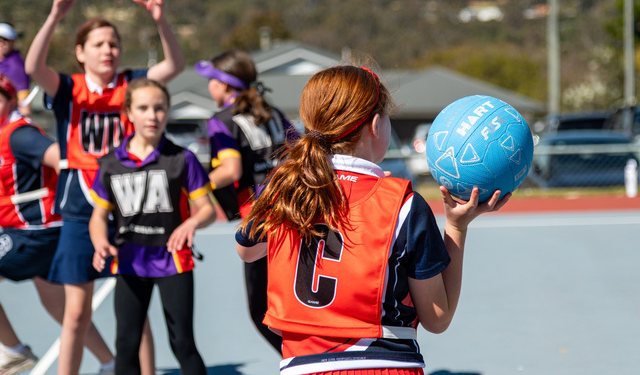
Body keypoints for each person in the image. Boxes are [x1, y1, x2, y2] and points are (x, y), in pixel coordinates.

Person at [235, 64, 511, 374]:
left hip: (301, 365)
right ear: (376, 125)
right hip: (383, 363)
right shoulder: (402, 205)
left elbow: (246, 250)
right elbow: (437, 318)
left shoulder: (285, 190)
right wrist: (457, 226)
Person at [24, 0, 184, 375]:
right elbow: (32, 66)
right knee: (76, 313)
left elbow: (175, 65)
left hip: (130, 207)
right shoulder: (68, 88)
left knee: (135, 310)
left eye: (113, 43)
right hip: (82, 209)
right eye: (98, 44)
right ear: (80, 53)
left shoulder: (133, 84)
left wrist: (161, 21)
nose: (108, 50)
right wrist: (54, 16)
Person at [89, 78, 215, 375]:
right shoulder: (110, 163)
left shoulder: (182, 159)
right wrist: (100, 242)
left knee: (182, 342)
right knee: (126, 342)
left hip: (173, 261)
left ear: (168, 111)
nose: (152, 115)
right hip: (130, 262)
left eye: (159, 108)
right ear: (128, 112)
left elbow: (208, 209)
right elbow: (98, 217)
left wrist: (192, 223)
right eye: (143, 108)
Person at [0, 74, 115, 375]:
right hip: (33, 231)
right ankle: (111, 363)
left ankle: (14, 351)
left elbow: (63, 159)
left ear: (11, 101)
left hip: (37, 231)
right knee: (65, 312)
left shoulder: (20, 135)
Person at [195, 49, 297, 353]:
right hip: (295, 210)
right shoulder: (273, 113)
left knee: (261, 311)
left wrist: (192, 187)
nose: (208, 86)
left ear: (223, 84)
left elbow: (231, 170)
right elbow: (301, 152)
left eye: (210, 80)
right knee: (296, 300)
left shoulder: (221, 121)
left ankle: (303, 363)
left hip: (263, 220)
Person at [0, 23, 31, 116]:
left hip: (7, 116)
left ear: (13, 42)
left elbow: (24, 105)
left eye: (5, 40)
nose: (1, 43)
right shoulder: (3, 60)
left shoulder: (16, 65)